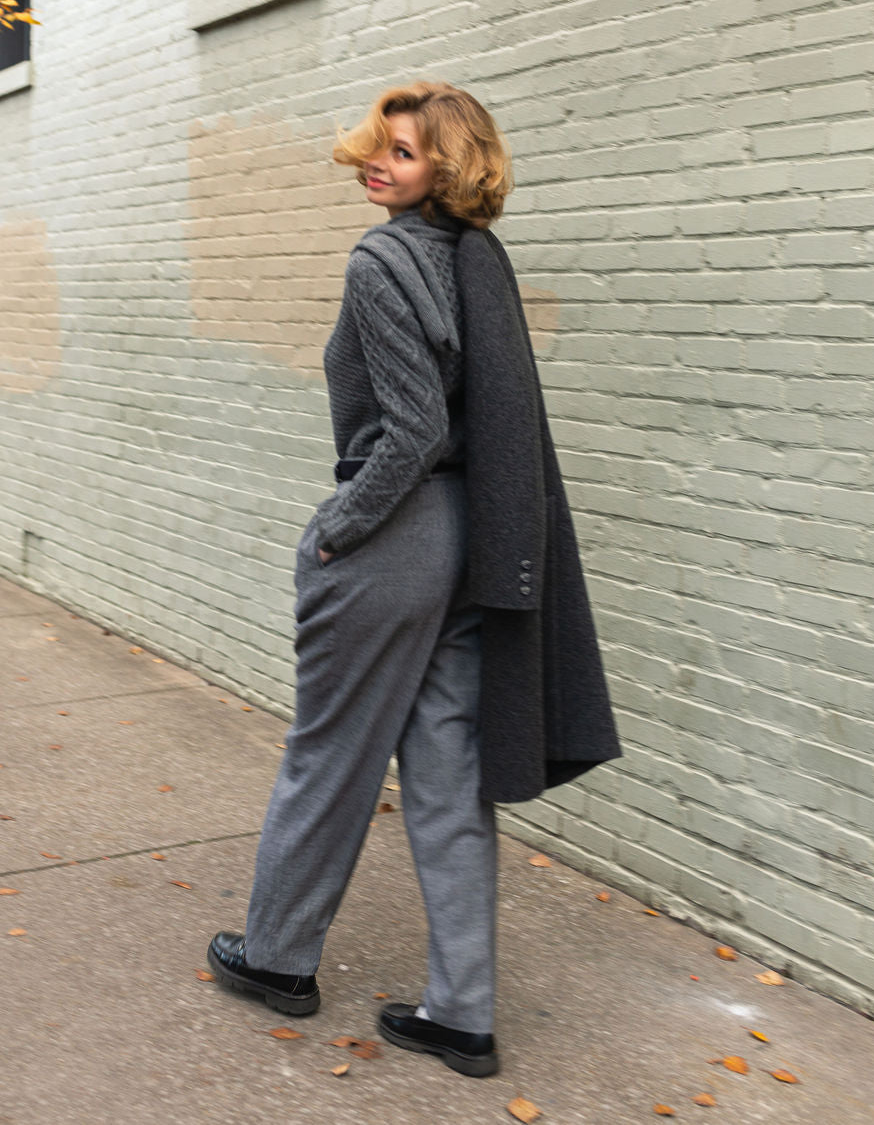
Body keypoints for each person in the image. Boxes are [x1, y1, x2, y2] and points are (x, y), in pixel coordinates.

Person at [208, 80, 621, 1078]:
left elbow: (413, 430)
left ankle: (276, 957)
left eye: (403, 151)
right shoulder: (473, 258)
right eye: (378, 146)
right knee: (447, 777)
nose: (377, 164)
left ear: (448, 166)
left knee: (329, 752)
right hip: (472, 540)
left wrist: (337, 529)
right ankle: (460, 1015)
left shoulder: (382, 261)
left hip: (394, 537)